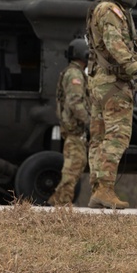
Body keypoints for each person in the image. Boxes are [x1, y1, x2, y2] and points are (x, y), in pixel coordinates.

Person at [85, 0, 137, 209]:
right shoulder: (111, 10)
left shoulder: (100, 9)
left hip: (100, 82)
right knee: (117, 136)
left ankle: (98, 190)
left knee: (99, 138)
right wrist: (136, 72)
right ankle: (105, 189)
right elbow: (115, 44)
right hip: (113, 83)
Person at [47, 37, 90, 206]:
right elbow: (75, 102)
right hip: (74, 128)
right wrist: (88, 121)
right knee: (74, 164)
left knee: (77, 163)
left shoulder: (74, 72)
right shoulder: (74, 74)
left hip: (74, 128)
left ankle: (58, 199)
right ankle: (62, 200)